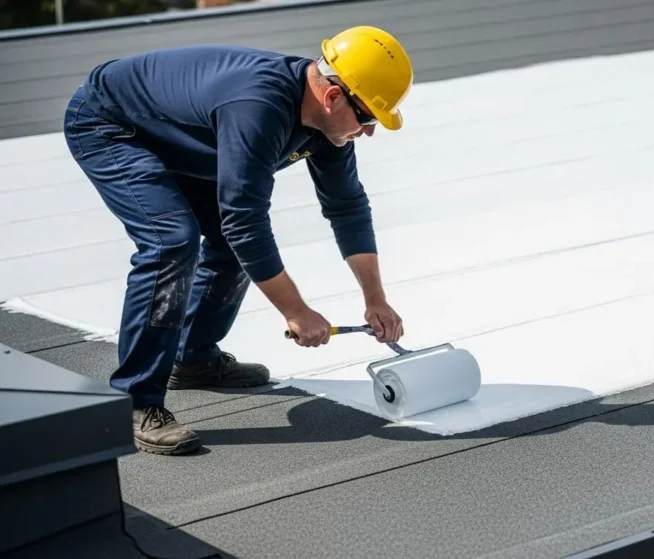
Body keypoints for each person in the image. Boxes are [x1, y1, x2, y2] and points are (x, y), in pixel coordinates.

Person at [62, 26, 413, 456]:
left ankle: (192, 359)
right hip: (110, 124)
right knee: (170, 242)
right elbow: (244, 220)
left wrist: (375, 299)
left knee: (228, 249)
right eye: (369, 118)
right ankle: (135, 401)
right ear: (332, 97)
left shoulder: (329, 126)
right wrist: (297, 311)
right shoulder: (258, 107)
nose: (370, 131)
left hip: (182, 136)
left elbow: (347, 207)